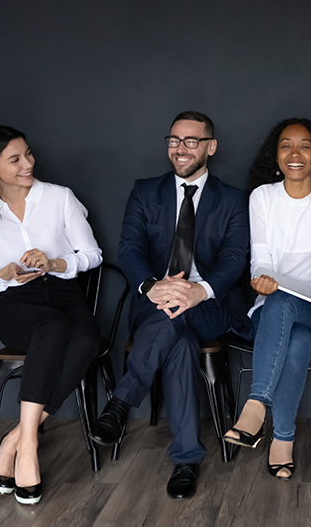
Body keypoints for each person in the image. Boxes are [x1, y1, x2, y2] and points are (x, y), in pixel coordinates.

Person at [89, 111, 249, 499]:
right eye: (174, 140)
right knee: (178, 343)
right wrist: (152, 286)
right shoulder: (146, 191)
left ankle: (121, 403)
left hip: (210, 305)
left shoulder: (232, 199)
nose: (180, 149)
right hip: (155, 300)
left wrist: (201, 290)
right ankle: (186, 459)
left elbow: (234, 257)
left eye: (191, 141)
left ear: (211, 147)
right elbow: (129, 250)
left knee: (176, 317)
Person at [0, 125, 103, 505]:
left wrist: (55, 261)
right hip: (17, 302)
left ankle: (18, 440)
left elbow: (92, 255)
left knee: (87, 338)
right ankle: (26, 451)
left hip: (63, 291)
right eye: (15, 159)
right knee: (52, 327)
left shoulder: (59, 198)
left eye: (28, 154)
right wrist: (3, 273)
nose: (28, 164)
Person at [224, 118, 311, 480]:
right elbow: (261, 257)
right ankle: (283, 439)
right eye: (286, 145)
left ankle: (256, 405)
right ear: (276, 154)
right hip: (269, 311)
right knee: (295, 335)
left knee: (288, 307)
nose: (294, 154)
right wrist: (260, 281)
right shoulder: (263, 198)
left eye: (304, 146)